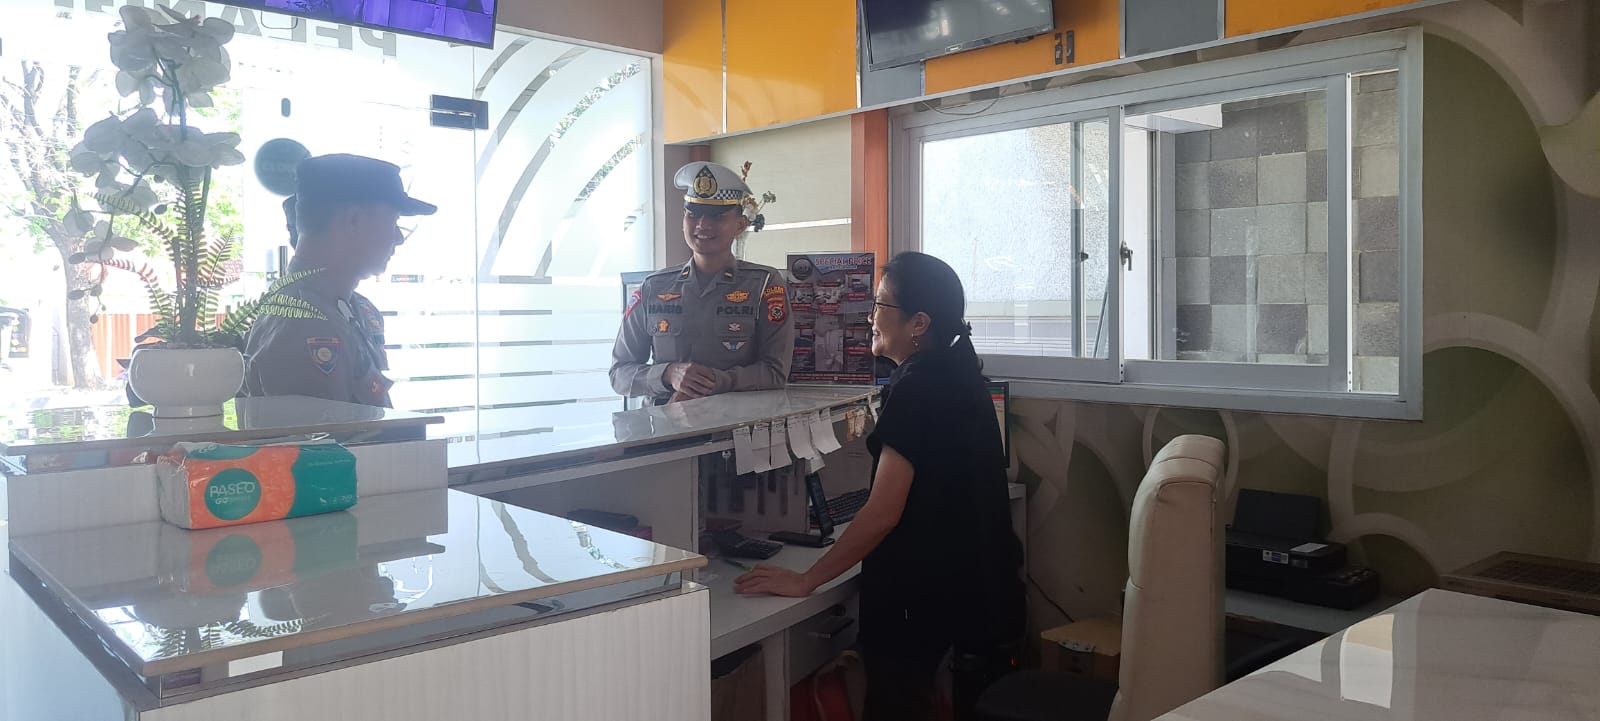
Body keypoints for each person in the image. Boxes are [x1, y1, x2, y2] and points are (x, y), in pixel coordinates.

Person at [734, 252, 1025, 720]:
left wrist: (808, 578)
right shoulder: (960, 374)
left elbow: (883, 511)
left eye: (880, 305)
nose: (869, 317)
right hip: (976, 600)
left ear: (919, 323)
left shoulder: (918, 387)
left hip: (923, 607)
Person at [243, 154, 436, 407]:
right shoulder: (304, 321)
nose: (398, 238)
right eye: (393, 221)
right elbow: (325, 432)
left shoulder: (347, 307)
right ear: (354, 221)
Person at [609, 161, 793, 404]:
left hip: (735, 424)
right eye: (693, 214)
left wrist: (715, 382)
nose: (703, 224)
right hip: (664, 424)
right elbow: (619, 374)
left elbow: (775, 372)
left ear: (740, 225)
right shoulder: (654, 287)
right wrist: (668, 374)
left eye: (717, 217)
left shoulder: (763, 285)